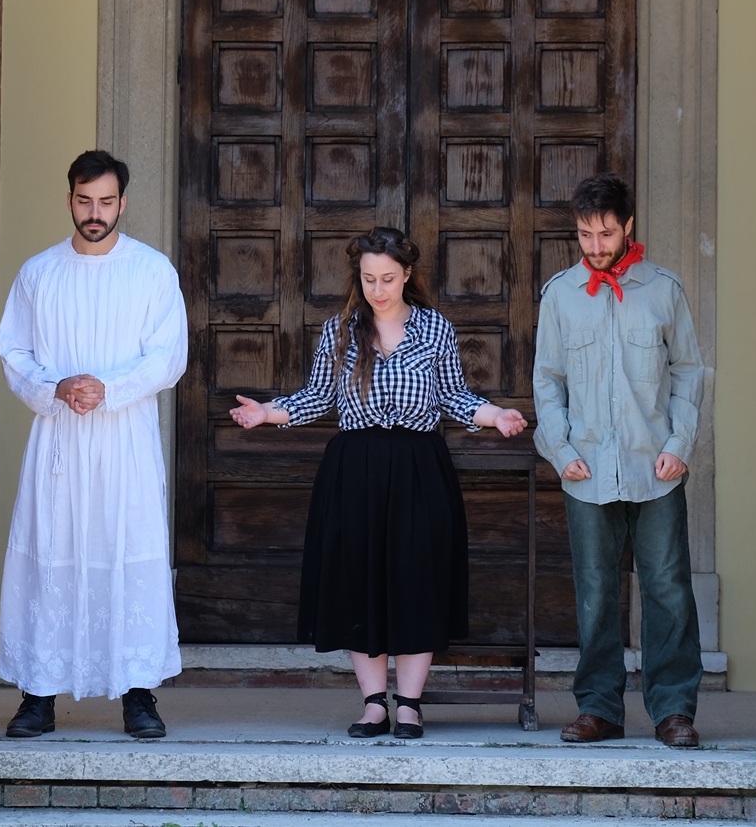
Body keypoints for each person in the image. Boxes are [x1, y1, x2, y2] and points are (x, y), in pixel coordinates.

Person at [230, 227, 527, 739]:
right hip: (355, 467)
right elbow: (315, 397)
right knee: (358, 581)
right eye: (368, 279)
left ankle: (409, 704)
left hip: (418, 466)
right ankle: (373, 704)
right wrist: (267, 413)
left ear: (407, 275)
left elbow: (455, 397)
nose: (378, 289)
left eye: (388, 278)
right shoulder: (340, 330)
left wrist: (496, 415)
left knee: (416, 578)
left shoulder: (434, 329)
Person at [0, 149, 188, 740]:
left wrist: (109, 388)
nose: (94, 213)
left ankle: (138, 695)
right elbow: (14, 350)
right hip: (59, 440)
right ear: (70, 199)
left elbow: (167, 356)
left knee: (127, 551)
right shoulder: (39, 274)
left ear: (123, 202)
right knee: (52, 550)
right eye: (84, 201)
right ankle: (38, 695)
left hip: (124, 439)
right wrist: (57, 387)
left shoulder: (153, 272)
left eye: (106, 202)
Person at [532, 173, 705, 748]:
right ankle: (600, 708)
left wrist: (679, 444)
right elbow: (548, 379)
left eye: (606, 233)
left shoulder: (664, 289)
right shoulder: (559, 295)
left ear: (627, 226)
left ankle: (674, 710)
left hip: (654, 467)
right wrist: (559, 449)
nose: (596, 245)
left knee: (668, 589)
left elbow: (688, 371)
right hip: (585, 470)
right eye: (586, 234)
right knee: (596, 591)